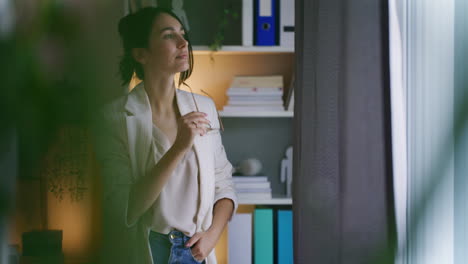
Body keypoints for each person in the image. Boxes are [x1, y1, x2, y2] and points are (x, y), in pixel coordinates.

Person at [93, 7, 238, 264]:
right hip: (150, 251)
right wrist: (179, 146)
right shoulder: (113, 118)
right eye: (168, 35)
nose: (183, 43)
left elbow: (224, 184)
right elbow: (127, 209)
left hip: (197, 250)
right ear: (141, 54)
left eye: (183, 34)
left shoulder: (204, 108)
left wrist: (213, 235)